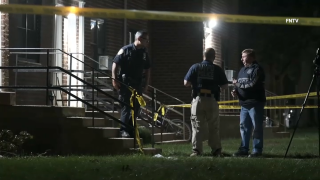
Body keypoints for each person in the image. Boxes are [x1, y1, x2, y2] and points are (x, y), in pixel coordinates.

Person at [184, 48, 229, 157]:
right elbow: (225, 86)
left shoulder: (195, 67)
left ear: (203, 56)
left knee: (197, 126)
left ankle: (197, 151)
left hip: (198, 99)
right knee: (213, 126)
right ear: (214, 57)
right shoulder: (217, 69)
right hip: (211, 99)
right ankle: (216, 150)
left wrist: (195, 83)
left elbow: (186, 83)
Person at [111, 30, 151, 138]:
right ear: (139, 39)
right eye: (146, 40)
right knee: (126, 107)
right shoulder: (125, 50)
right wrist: (114, 79)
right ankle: (123, 130)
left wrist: (146, 85)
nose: (148, 42)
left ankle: (131, 129)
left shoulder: (144, 52)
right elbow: (115, 64)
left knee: (136, 108)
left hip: (138, 84)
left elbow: (147, 69)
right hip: (126, 83)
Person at [231, 48, 266, 158]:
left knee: (256, 128)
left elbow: (252, 85)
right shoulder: (242, 70)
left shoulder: (257, 69)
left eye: (244, 56)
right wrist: (236, 91)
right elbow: (241, 84)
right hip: (244, 104)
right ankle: (244, 149)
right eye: (242, 56)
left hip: (255, 103)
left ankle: (257, 150)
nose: (242, 59)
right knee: (244, 127)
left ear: (251, 57)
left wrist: (237, 85)